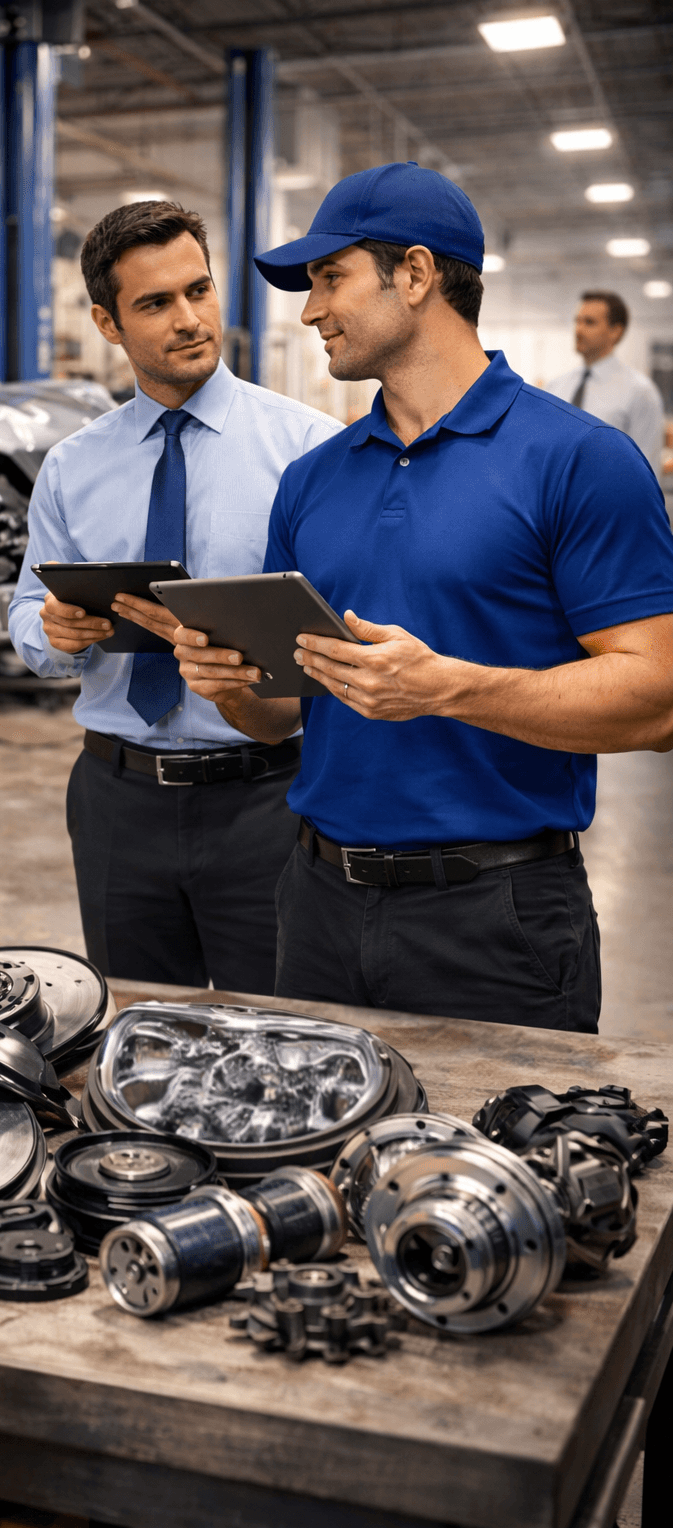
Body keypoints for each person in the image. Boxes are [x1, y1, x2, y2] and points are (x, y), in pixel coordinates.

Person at [171, 162, 673, 1033]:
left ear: (414, 273)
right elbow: (283, 713)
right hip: (318, 904)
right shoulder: (311, 481)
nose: (308, 309)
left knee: (495, 1167)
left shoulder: (578, 460)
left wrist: (449, 688)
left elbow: (659, 696)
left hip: (496, 915)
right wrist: (230, 686)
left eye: (330, 278)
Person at [8, 200, 341, 993]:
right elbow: (25, 610)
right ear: (107, 321)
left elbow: (339, 633)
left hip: (266, 795)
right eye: (155, 303)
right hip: (118, 801)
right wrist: (54, 629)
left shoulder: (307, 450)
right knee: (136, 1032)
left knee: (277, 1040)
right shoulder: (72, 467)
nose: (189, 319)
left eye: (199, 290)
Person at [548, 291, 665, 479]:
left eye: (589, 322)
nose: (578, 330)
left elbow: (648, 471)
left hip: (608, 504)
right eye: (577, 321)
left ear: (615, 331)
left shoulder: (640, 392)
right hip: (556, 503)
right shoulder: (556, 387)